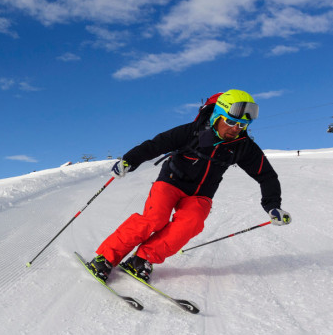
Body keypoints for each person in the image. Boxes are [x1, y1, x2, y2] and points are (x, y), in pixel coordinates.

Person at [87, 89, 292, 282]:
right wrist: (129, 160)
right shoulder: (193, 131)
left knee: (191, 223)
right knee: (154, 219)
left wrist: (272, 205)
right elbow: (156, 144)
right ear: (217, 116)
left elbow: (267, 176)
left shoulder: (243, 146)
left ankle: (141, 259)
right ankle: (105, 258)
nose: (235, 129)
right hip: (171, 181)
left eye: (242, 125)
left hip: (201, 193)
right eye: (231, 122)